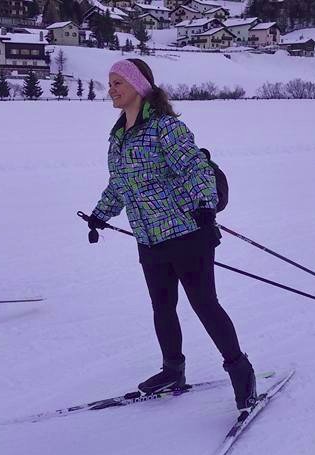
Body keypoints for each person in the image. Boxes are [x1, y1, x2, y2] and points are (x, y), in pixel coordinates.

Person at [85, 59, 258, 413]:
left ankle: (241, 373)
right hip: (149, 238)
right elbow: (121, 184)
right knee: (162, 308)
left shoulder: (165, 128)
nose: (112, 90)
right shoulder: (118, 137)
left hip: (187, 232)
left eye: (118, 83)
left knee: (204, 305)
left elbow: (196, 168)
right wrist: (100, 215)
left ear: (138, 85)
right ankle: (172, 371)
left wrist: (205, 208)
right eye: (110, 84)